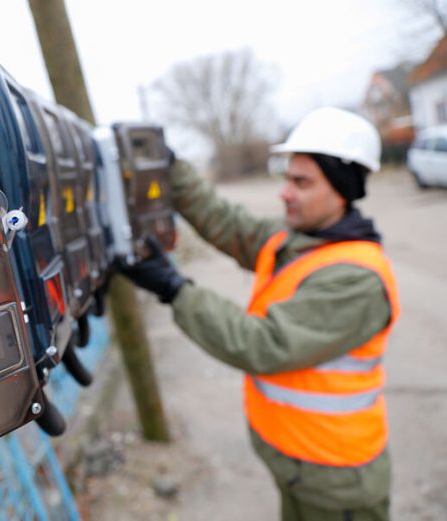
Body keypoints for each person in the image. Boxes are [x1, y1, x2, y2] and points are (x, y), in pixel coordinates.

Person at [117, 107, 399, 521]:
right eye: (287, 178)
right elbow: (228, 223)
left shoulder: (357, 278)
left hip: (338, 484)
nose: (285, 191)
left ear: (342, 188)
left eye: (301, 182)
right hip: (301, 468)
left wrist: (175, 289)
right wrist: (171, 168)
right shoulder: (299, 242)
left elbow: (263, 345)